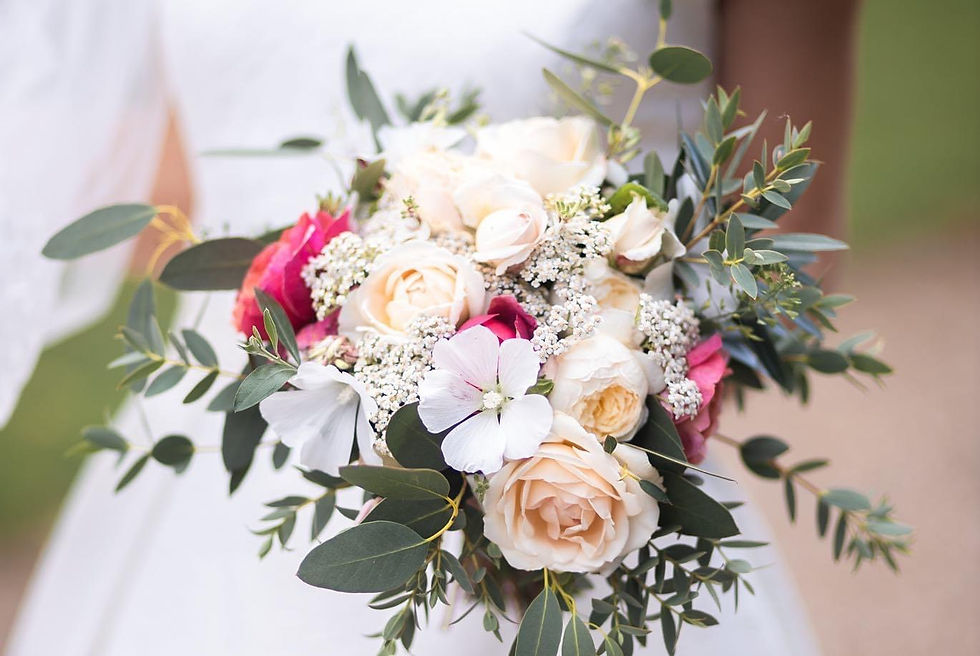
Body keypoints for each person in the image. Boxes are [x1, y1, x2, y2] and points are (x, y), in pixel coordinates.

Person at [0, 1, 857, 653]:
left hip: (556, 501)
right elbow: (173, 173)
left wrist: (560, 397)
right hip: (223, 475)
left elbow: (782, 245)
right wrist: (335, 304)